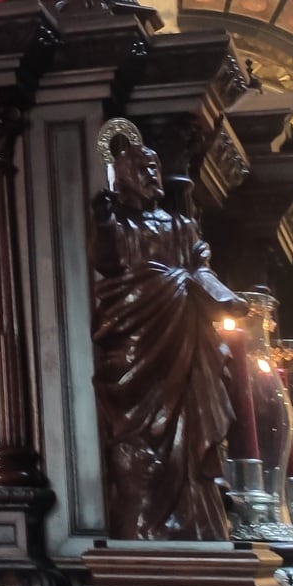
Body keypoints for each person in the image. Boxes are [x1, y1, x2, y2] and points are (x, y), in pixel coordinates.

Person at [90, 119, 246, 540]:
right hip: (137, 347)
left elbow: (199, 268)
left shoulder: (181, 226)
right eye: (142, 169)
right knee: (139, 442)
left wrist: (222, 297)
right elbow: (106, 262)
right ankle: (142, 525)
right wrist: (103, 218)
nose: (152, 176)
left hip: (186, 341)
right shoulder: (118, 225)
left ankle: (195, 516)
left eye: (155, 168)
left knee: (192, 429)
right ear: (121, 175)